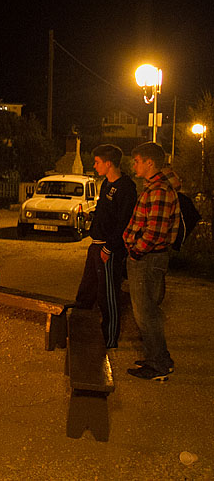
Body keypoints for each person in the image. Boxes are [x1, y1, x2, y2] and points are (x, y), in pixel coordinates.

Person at [123, 142, 181, 381]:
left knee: (145, 313)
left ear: (149, 163)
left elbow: (155, 230)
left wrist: (136, 251)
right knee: (149, 312)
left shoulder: (158, 191)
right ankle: (159, 358)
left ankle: (157, 365)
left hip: (147, 259)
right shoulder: (155, 187)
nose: (133, 164)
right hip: (150, 258)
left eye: (137, 160)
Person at [70, 144, 137, 348]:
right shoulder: (106, 184)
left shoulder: (126, 187)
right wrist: (91, 217)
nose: (94, 165)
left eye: (97, 162)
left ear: (109, 163)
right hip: (95, 245)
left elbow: (124, 222)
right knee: (87, 288)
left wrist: (110, 247)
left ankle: (109, 338)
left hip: (109, 248)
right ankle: (79, 327)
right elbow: (103, 210)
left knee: (107, 295)